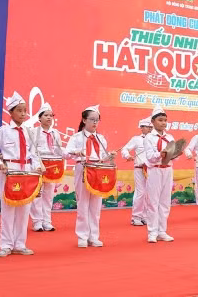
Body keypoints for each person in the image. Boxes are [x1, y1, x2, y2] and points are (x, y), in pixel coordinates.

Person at [0, 91, 44, 257]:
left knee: (24, 209)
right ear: (10, 112)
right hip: (10, 171)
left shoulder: (29, 131)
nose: (23, 113)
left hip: (27, 172)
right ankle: (5, 245)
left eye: (25, 110)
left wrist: (37, 166)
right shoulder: (3, 131)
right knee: (8, 209)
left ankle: (20, 244)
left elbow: (34, 152)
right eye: (19, 110)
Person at [66, 105, 114, 248]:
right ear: (84, 120)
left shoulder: (101, 138)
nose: (95, 123)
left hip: (98, 170)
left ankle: (94, 236)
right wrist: (77, 152)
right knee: (83, 203)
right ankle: (82, 236)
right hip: (83, 168)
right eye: (92, 120)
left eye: (97, 120)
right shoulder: (76, 137)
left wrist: (109, 156)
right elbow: (66, 153)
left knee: (96, 205)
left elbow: (102, 157)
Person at [143, 105, 176, 243]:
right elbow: (150, 157)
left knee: (165, 202)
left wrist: (175, 153)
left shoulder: (170, 137)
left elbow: (175, 155)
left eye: (165, 120)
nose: (163, 123)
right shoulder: (148, 138)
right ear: (153, 121)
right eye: (160, 120)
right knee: (153, 202)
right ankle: (152, 232)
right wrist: (160, 154)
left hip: (167, 169)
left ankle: (162, 231)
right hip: (155, 170)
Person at [30, 103, 63, 232]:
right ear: (39, 118)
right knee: (37, 194)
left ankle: (47, 221)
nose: (49, 118)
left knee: (48, 195)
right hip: (39, 165)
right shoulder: (34, 132)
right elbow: (32, 151)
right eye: (46, 115)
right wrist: (37, 165)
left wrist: (73, 152)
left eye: (51, 115)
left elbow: (59, 150)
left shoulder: (56, 133)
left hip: (52, 166)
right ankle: (37, 222)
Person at [121, 119, 152, 226]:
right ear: (141, 128)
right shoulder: (136, 139)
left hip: (151, 169)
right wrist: (127, 155)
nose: (148, 129)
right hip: (139, 168)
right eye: (146, 127)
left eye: (150, 127)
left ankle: (145, 216)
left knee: (149, 193)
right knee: (141, 192)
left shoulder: (155, 139)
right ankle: (136, 216)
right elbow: (124, 149)